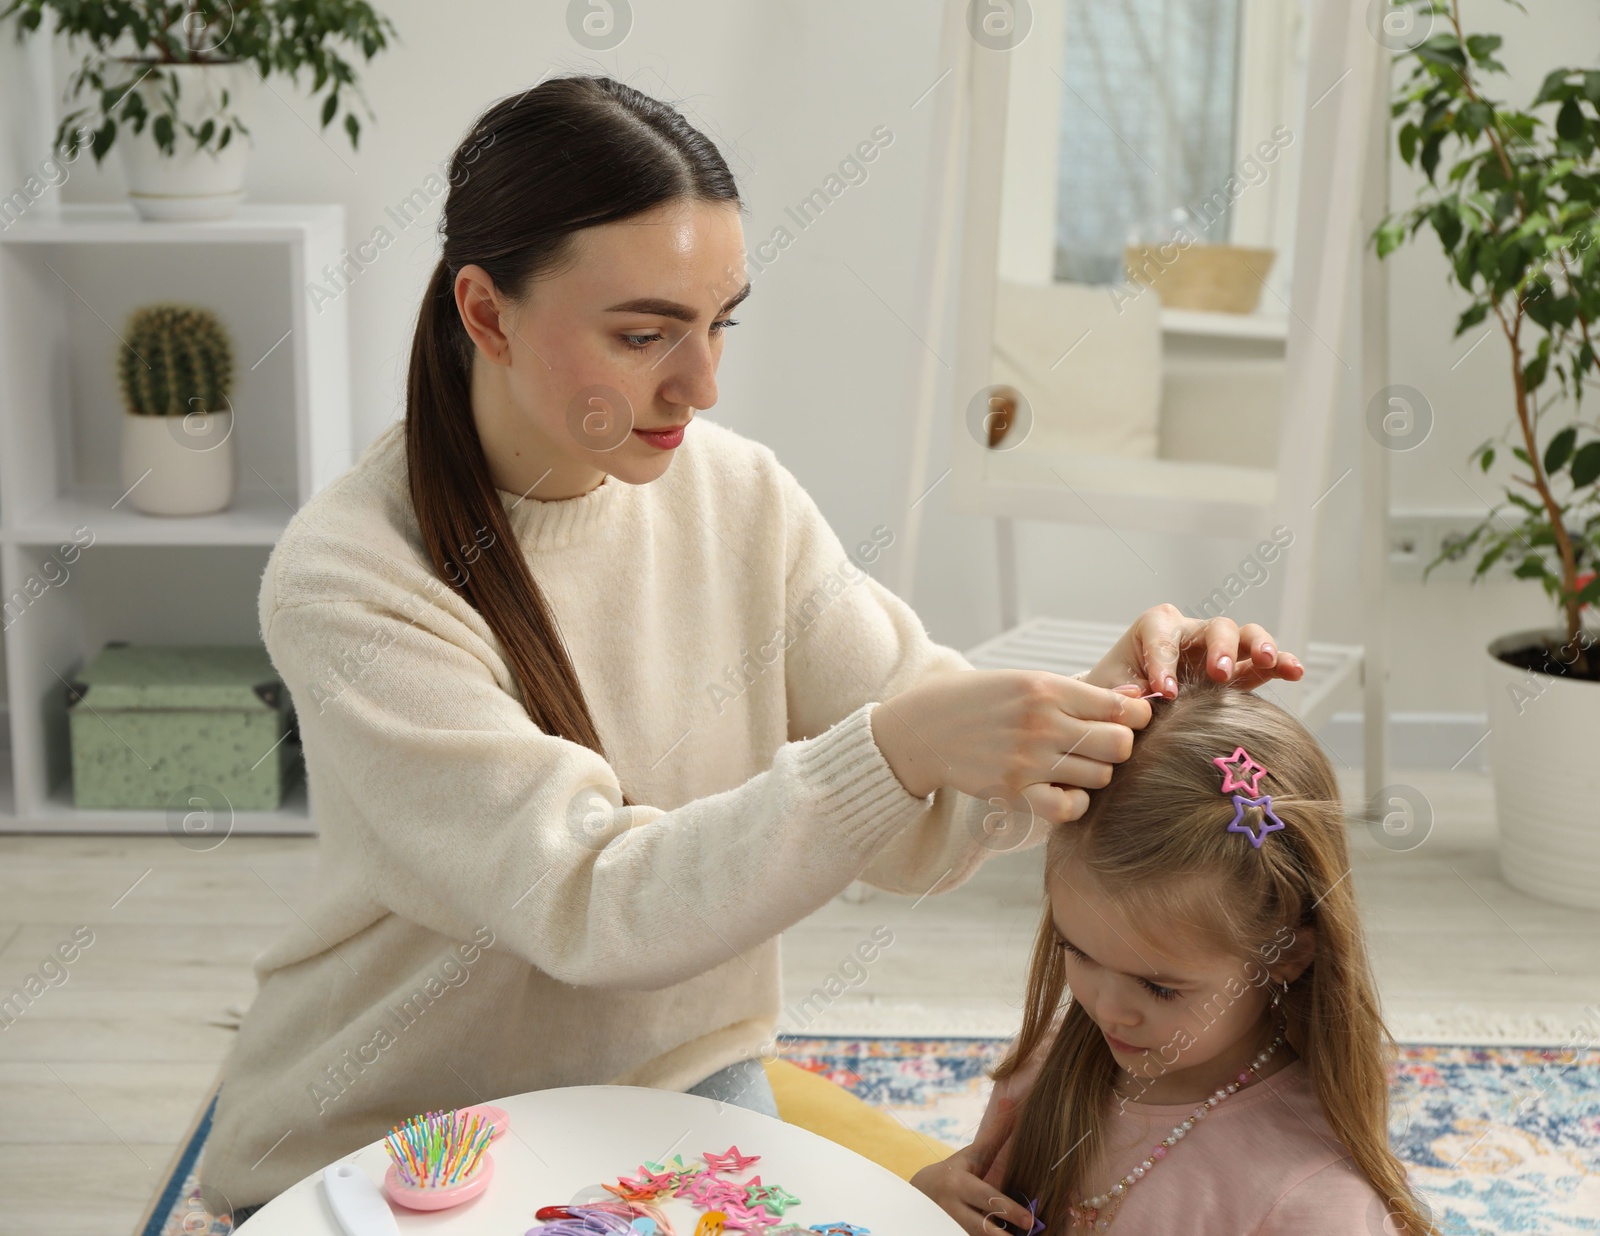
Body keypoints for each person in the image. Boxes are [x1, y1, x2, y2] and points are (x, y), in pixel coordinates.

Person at [198, 75, 1304, 1220]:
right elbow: (591, 899)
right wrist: (893, 750)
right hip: (401, 1131)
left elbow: (934, 794)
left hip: (675, 1084)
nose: (701, 385)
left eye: (720, 323)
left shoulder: (735, 495)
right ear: (486, 314)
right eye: (643, 336)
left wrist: (1103, 711)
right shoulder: (351, 578)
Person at [911, 673, 1434, 1235]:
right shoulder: (1041, 1071)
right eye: (1079, 953)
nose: (1108, 1009)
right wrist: (921, 1204)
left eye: (1159, 987)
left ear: (1286, 952)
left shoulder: (1315, 1200)